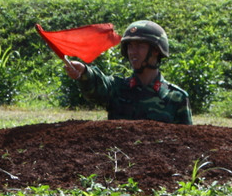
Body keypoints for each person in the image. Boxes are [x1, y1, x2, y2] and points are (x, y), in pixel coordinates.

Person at [63, 20, 192, 125]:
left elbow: (188, 144)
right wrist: (85, 72)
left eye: (140, 46)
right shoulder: (117, 89)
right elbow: (98, 86)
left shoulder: (176, 98)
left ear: (156, 51)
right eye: (130, 46)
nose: (132, 52)